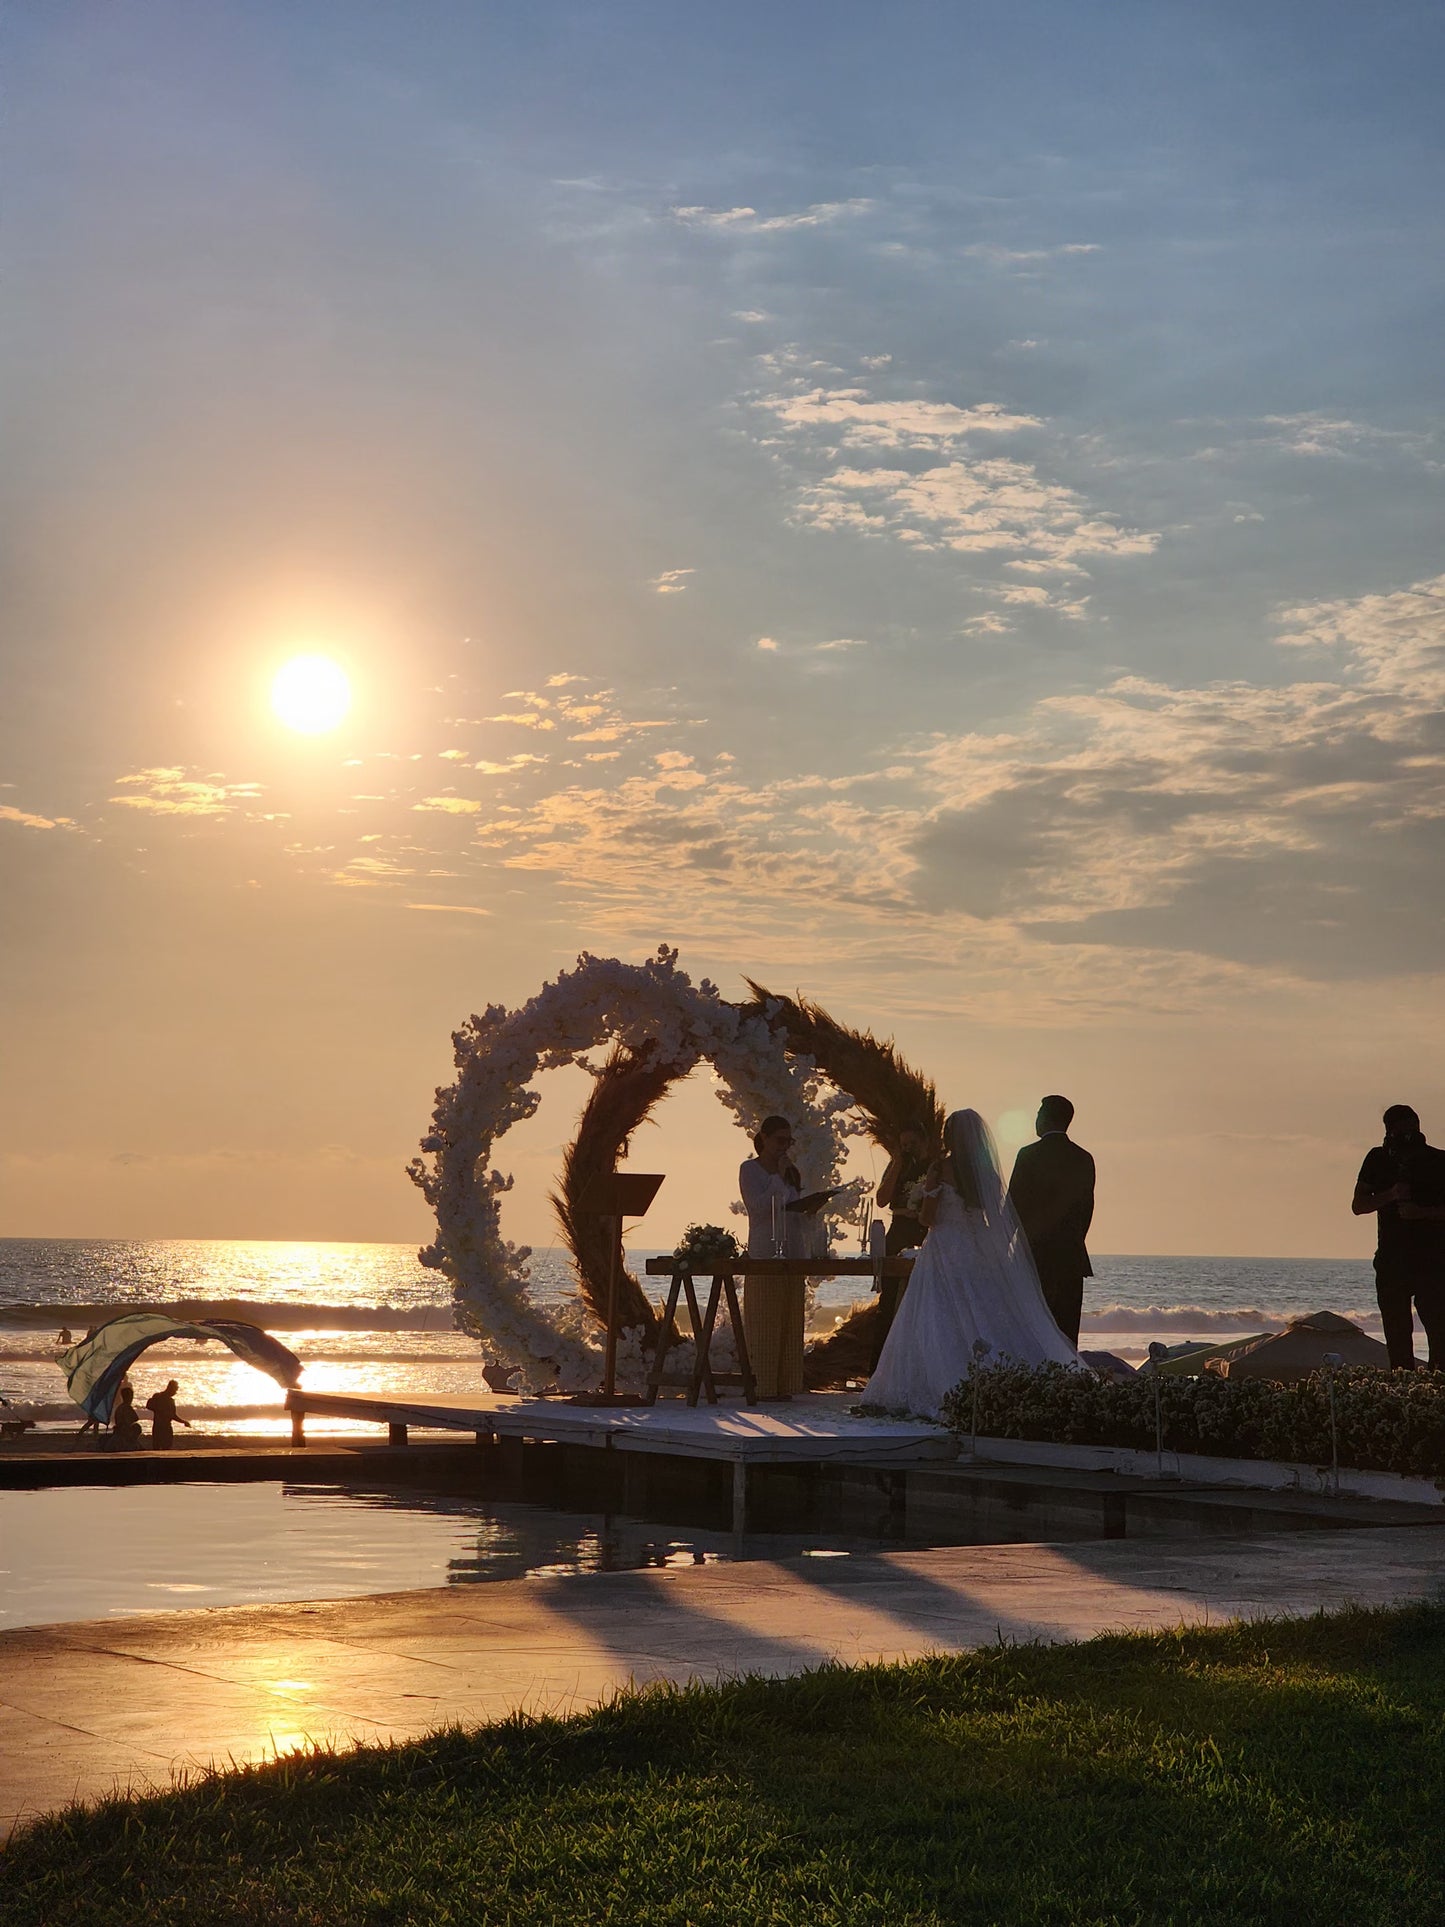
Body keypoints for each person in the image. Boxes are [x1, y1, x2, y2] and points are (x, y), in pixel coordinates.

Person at [866, 1109, 1085, 1419]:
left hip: (944, 1247)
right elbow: (993, 1216)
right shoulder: (987, 1174)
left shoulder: (940, 1168)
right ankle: (995, 1376)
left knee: (937, 1314)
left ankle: (939, 1379)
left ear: (950, 1137)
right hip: (976, 1249)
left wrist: (919, 1208)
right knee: (980, 1309)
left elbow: (928, 1218)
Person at [739, 1116, 826, 1399]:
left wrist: (809, 1209)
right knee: (765, 1319)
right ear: (764, 1138)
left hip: (792, 1248)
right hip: (765, 1249)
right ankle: (763, 1386)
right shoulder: (750, 1169)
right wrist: (777, 1176)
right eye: (779, 1140)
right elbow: (759, 1207)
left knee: (790, 1319)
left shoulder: (791, 1172)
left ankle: (787, 1384)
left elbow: (791, 1209)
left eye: (789, 1141)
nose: (784, 1146)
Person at [1353, 1105, 1445, 1370]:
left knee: (1440, 1333)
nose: (1408, 1135)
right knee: (1397, 1336)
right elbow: (1359, 1205)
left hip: (1433, 1259)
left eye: (1412, 1129)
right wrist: (1391, 1194)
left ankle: (1435, 1385)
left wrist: (1422, 1212)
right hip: (1392, 1259)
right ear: (1389, 1131)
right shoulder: (1377, 1159)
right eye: (1401, 1130)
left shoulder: (1438, 1160)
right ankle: (1403, 1384)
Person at [1006, 1096, 1096, 1347]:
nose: (1035, 1119)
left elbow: (1013, 1206)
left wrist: (1004, 1246)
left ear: (1046, 1118)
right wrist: (1074, 1240)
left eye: (1038, 1114)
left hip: (1033, 1256)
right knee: (1066, 1331)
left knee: (1032, 1328)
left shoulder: (1028, 1155)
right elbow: (1086, 1209)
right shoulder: (1083, 1158)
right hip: (1071, 1257)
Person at [870, 1121, 933, 1369]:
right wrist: (897, 1163)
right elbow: (882, 1199)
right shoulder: (897, 1165)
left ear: (925, 1143)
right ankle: (879, 1365)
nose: (908, 1149)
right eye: (904, 1144)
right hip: (897, 1234)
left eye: (913, 1144)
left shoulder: (934, 1167)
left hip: (923, 1233)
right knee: (888, 1300)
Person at [145, 1379, 191, 1449]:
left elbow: (148, 1406)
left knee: (157, 1447)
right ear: (171, 1388)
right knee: (165, 1447)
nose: (175, 1393)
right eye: (175, 1390)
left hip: (157, 1426)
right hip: (165, 1427)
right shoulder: (168, 1400)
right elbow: (173, 1416)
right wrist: (183, 1422)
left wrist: (158, 1410)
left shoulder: (157, 1396)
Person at [109, 1384, 143, 1450]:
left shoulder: (120, 1407)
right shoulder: (126, 1408)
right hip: (124, 1431)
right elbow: (135, 1418)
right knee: (137, 1427)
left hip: (121, 1430)